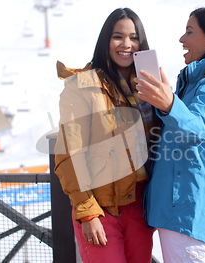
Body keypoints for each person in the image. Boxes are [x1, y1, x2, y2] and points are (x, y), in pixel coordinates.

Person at [135, 7, 205, 262]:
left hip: (186, 212)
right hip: (179, 210)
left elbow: (198, 128)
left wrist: (168, 104)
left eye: (189, 32)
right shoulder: (196, 83)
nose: (182, 39)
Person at [53, 8, 160, 263]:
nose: (126, 44)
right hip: (101, 207)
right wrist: (88, 212)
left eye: (134, 37)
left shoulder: (148, 86)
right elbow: (70, 154)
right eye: (117, 36)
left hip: (140, 207)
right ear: (105, 40)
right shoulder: (81, 87)